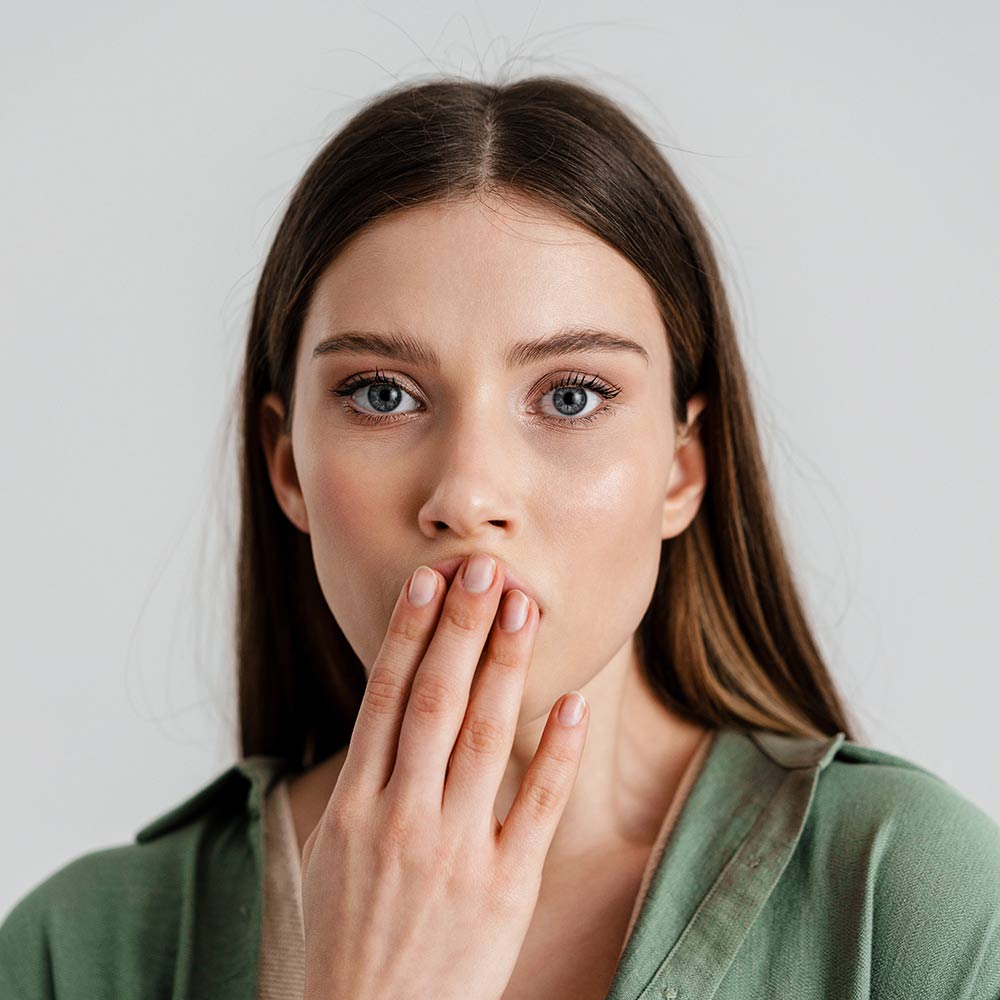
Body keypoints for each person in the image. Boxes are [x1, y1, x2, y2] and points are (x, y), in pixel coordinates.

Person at [2, 74, 999, 1000]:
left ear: (680, 468)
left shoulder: (913, 900)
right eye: (382, 394)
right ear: (287, 464)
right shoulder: (75, 952)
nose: (467, 494)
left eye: (571, 395)